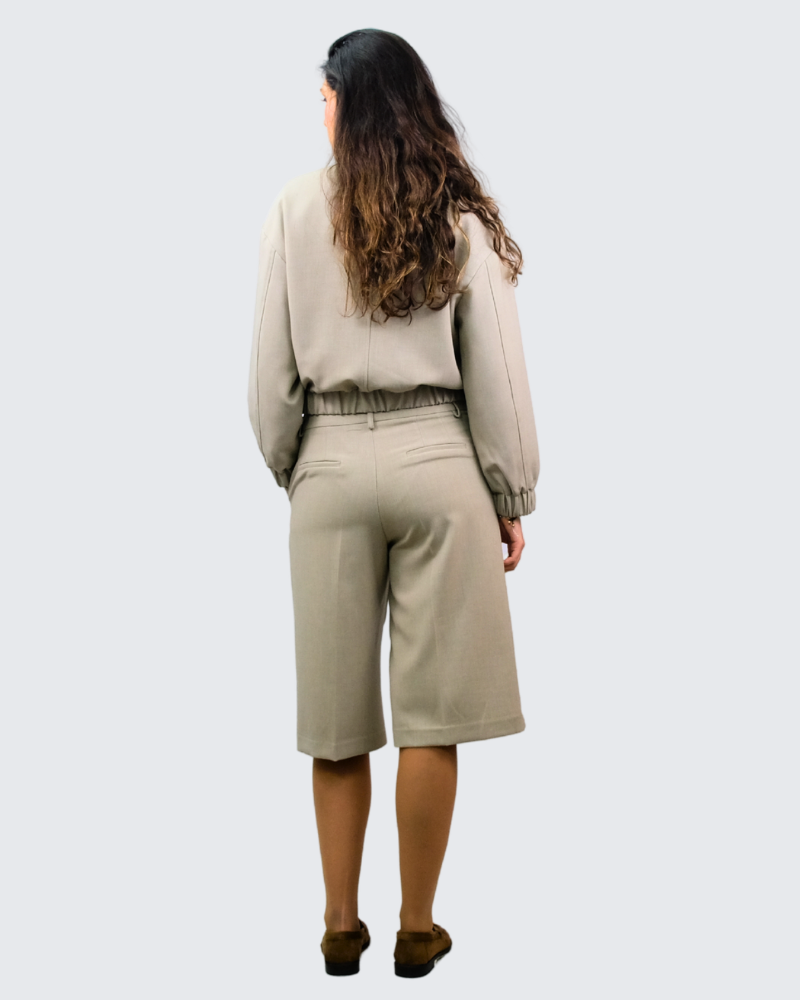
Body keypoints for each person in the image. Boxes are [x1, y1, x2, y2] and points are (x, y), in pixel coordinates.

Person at [247, 28, 540, 978]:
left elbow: (268, 377)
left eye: (327, 98)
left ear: (353, 103)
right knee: (431, 713)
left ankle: (340, 925)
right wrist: (510, 490)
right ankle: (417, 927)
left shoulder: (294, 208)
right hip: (439, 464)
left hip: (329, 467)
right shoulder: (453, 214)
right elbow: (497, 370)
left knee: (336, 720)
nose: (321, 113)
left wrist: (300, 468)